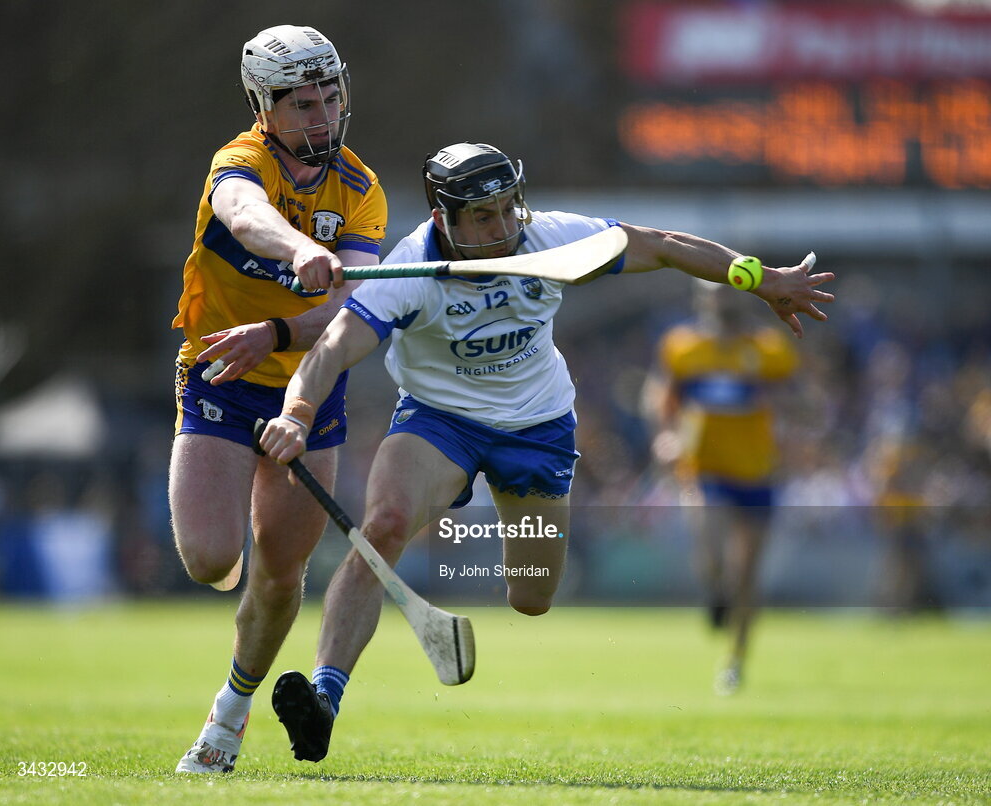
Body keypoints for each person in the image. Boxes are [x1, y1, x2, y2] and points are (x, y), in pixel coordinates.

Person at [257, 142, 834, 761]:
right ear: (443, 218)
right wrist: (296, 413)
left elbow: (664, 245)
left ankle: (471, 573)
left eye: (509, 209)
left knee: (531, 595)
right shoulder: (409, 271)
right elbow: (335, 348)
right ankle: (324, 698)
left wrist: (761, 279)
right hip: (439, 421)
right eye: (482, 217)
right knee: (384, 526)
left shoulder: (552, 239)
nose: (502, 228)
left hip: (538, 429)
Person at [171, 24, 386, 774]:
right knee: (207, 559)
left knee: (281, 573)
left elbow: (349, 312)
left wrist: (276, 330)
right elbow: (242, 214)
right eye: (300, 103)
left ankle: (226, 722)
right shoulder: (239, 162)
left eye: (330, 97)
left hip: (309, 384)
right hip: (221, 377)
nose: (321, 116)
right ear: (264, 105)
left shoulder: (359, 191)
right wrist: (299, 251)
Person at [649, 280, 798, 694]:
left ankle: (734, 662)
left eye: (728, 296)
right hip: (704, 467)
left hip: (756, 471)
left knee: (747, 574)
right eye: (713, 296)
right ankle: (715, 591)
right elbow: (661, 394)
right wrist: (665, 434)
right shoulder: (683, 346)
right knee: (711, 548)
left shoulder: (768, 348)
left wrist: (786, 411)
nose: (721, 304)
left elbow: (798, 400)